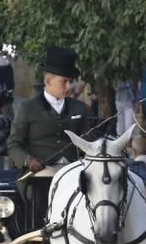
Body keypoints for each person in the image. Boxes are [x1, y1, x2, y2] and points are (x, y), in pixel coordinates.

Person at [6, 47, 91, 230]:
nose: (69, 87)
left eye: (71, 81)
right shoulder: (28, 109)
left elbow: (88, 142)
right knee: (43, 191)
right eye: (64, 82)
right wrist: (28, 160)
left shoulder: (80, 109)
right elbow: (13, 145)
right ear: (48, 81)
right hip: (39, 175)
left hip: (73, 172)